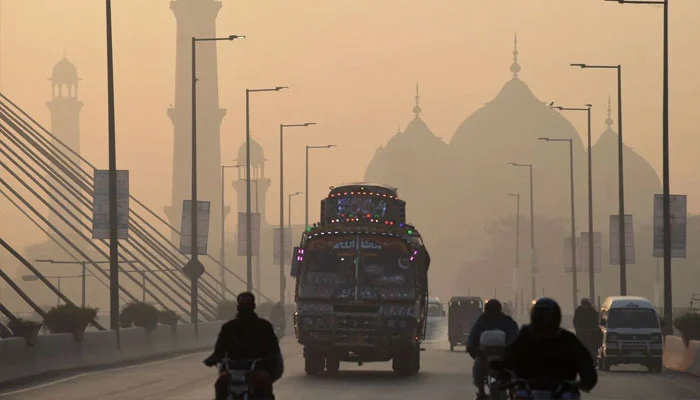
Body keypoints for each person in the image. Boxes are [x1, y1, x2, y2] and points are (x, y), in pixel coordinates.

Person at [501, 297, 597, 394]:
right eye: (541, 316)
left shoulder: (567, 338)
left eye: (548, 316)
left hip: (561, 392)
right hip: (529, 391)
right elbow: (508, 356)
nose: (545, 320)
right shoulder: (525, 336)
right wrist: (503, 371)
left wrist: (587, 379)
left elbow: (585, 361)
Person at [204, 292, 284, 400]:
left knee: (263, 383)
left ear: (253, 307)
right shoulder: (228, 328)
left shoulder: (264, 327)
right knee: (221, 384)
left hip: (257, 368)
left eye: (247, 306)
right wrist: (213, 358)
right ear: (238, 307)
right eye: (243, 306)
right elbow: (220, 349)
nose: (245, 309)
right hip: (232, 370)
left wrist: (270, 360)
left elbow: (273, 349)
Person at [466, 298, 519, 400]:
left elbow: (515, 337)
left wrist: (512, 350)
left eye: (494, 310)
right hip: (485, 357)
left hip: (504, 357)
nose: (492, 312)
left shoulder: (507, 321)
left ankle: (513, 392)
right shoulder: (482, 321)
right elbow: (473, 337)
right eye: (490, 310)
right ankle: (481, 392)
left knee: (514, 374)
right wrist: (473, 348)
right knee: (478, 369)